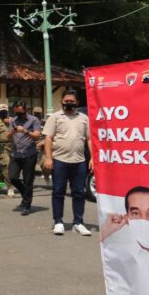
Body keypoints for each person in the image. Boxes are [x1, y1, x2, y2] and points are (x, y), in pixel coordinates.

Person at [43, 90, 92, 236]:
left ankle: (79, 222)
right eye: (66, 101)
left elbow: (89, 139)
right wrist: (48, 158)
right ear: (61, 102)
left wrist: (93, 158)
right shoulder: (55, 117)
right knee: (58, 191)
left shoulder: (84, 118)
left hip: (79, 161)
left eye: (72, 101)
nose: (68, 103)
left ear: (77, 102)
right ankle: (58, 221)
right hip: (59, 161)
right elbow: (48, 138)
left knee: (79, 193)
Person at [8, 100, 42, 216]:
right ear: (14, 111)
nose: (20, 115)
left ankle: (27, 205)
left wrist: (26, 131)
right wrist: (13, 131)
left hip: (29, 155)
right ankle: (24, 193)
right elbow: (8, 137)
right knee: (12, 177)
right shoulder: (12, 121)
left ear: (25, 109)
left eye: (21, 112)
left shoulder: (34, 120)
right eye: (17, 113)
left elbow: (37, 136)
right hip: (16, 154)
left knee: (28, 180)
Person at [0, 103, 13, 197]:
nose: (3, 112)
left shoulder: (12, 120)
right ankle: (10, 187)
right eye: (2, 111)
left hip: (13, 146)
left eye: (5, 110)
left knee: (10, 166)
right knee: (6, 164)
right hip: (1, 147)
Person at [32, 106, 51, 187]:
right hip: (32, 144)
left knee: (43, 164)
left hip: (42, 144)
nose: (37, 115)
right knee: (30, 165)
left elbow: (48, 135)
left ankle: (46, 176)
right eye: (36, 113)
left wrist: (42, 143)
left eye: (38, 114)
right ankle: (30, 182)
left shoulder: (45, 122)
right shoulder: (30, 121)